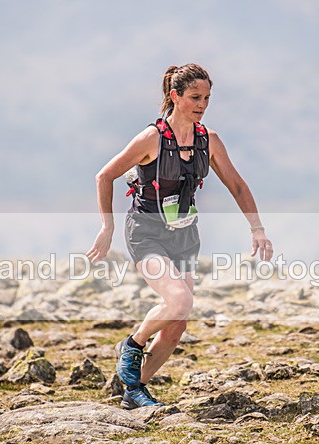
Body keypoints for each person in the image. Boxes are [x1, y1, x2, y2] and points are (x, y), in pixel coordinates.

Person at [87, 63, 273, 409]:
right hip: (147, 232)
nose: (202, 104)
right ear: (175, 96)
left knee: (177, 322)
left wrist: (257, 229)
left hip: (186, 235)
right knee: (180, 301)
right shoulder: (151, 138)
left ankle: (134, 390)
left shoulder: (208, 140)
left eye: (206, 98)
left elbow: (236, 184)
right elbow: (105, 176)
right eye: (194, 97)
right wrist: (107, 227)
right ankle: (133, 343)